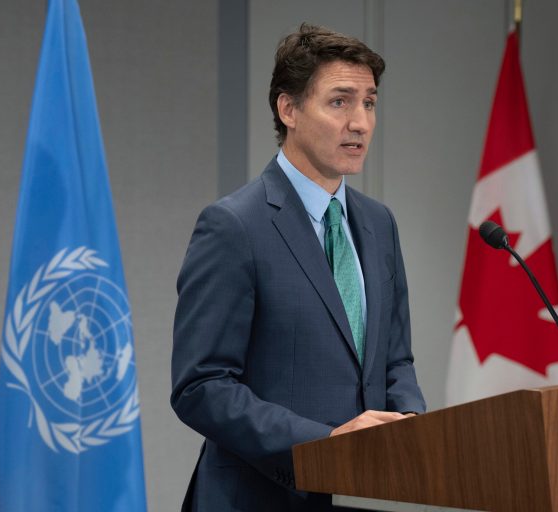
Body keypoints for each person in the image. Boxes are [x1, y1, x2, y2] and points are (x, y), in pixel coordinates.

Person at [171, 22, 426, 511]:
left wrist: (412, 422)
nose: (361, 122)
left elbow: (396, 360)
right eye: (340, 101)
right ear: (288, 109)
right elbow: (201, 387)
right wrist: (324, 442)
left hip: (363, 495)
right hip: (255, 499)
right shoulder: (233, 226)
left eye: (369, 102)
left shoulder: (379, 224)